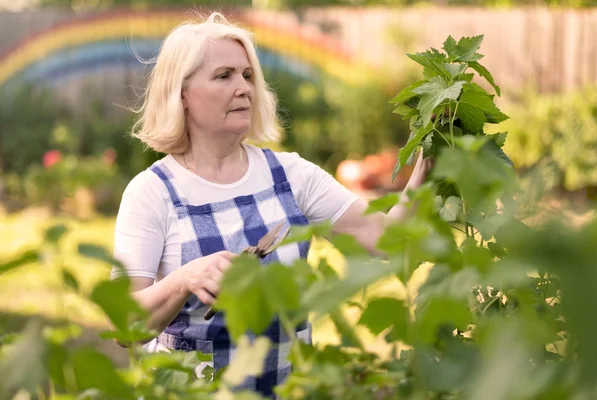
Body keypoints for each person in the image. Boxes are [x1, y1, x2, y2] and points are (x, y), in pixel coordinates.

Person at [111, 11, 432, 399]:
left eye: (247, 75)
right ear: (182, 94)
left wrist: (427, 163)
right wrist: (184, 279)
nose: (244, 87)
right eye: (223, 75)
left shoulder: (290, 175)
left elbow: (386, 239)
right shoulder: (153, 192)